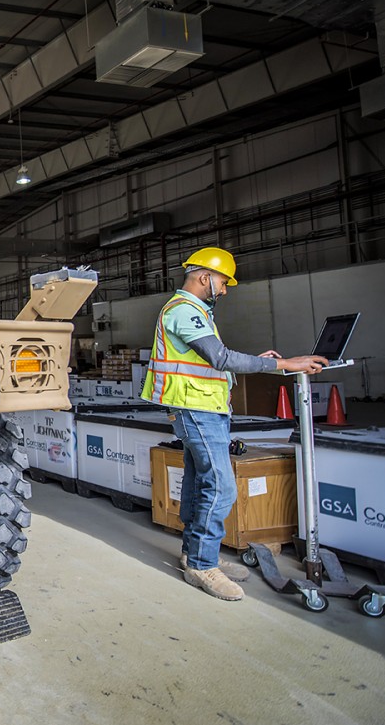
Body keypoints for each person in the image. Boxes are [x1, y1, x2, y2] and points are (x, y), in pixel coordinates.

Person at [141, 247, 327, 601]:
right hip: (195, 410)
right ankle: (201, 565)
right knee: (222, 487)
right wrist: (285, 364)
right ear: (204, 277)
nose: (224, 290)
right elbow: (221, 358)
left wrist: (258, 361)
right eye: (223, 282)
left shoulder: (197, 311)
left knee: (199, 483)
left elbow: (210, 362)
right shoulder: (183, 310)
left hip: (204, 407)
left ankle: (195, 554)